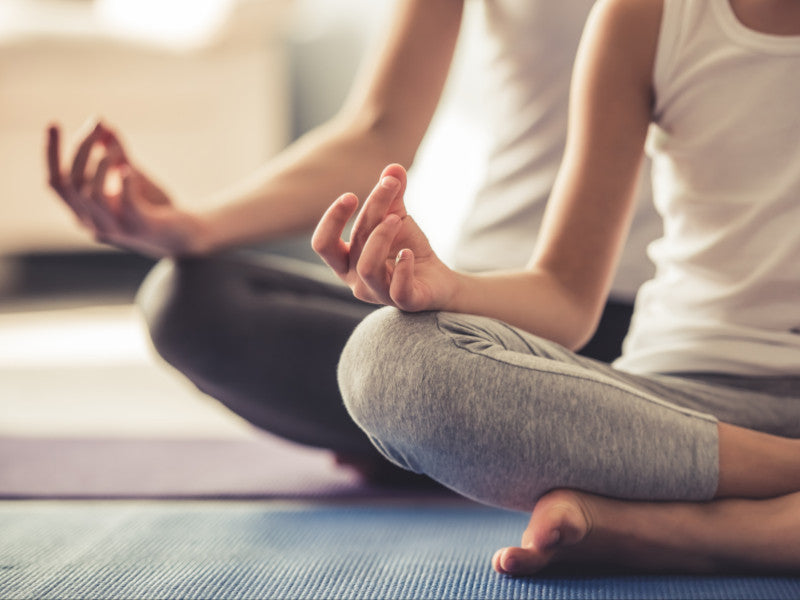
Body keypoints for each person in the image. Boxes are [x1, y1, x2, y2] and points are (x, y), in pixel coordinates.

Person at [45, 2, 660, 480]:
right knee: (190, 299)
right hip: (475, 307)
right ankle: (468, 447)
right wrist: (193, 226)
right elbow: (379, 128)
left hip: (645, 327)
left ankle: (442, 448)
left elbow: (568, 300)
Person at [312, 0, 800, 575]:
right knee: (389, 358)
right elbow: (565, 297)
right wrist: (447, 285)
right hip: (680, 407)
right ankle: (776, 487)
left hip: (694, 450)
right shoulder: (645, 17)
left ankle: (683, 530)